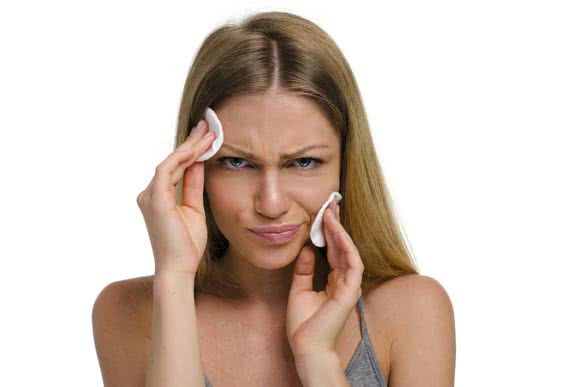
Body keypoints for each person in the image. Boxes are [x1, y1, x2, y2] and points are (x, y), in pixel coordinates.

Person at [92, 11, 456, 387]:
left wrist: (318, 359)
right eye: (237, 162)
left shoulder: (412, 310)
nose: (271, 203)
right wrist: (175, 276)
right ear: (194, 162)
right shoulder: (128, 311)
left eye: (303, 161)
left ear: (345, 164)